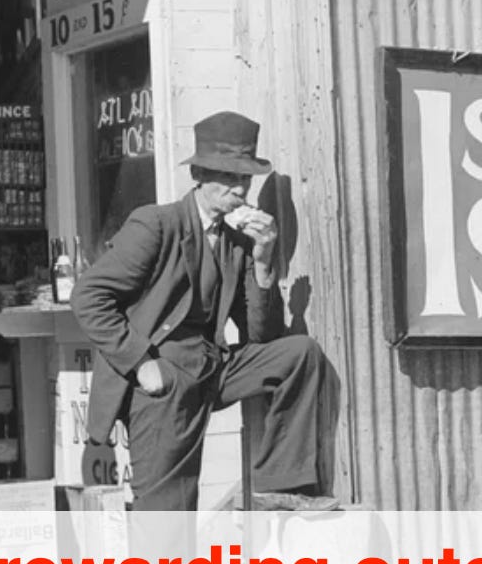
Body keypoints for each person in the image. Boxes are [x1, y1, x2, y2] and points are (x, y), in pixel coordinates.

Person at [72, 110, 337, 515]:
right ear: (198, 175)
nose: (239, 188)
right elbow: (88, 296)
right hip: (164, 380)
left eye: (245, 178)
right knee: (168, 517)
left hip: (213, 368)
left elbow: (260, 336)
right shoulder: (156, 225)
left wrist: (263, 261)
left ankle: (278, 484)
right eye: (227, 176)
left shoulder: (237, 242)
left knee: (299, 354)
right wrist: (141, 364)